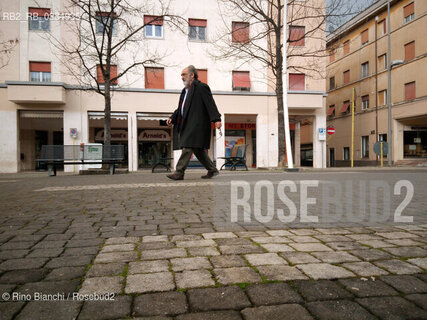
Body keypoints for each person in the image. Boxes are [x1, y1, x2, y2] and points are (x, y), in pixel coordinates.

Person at [166, 65, 221, 180]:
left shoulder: (201, 87)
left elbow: (210, 103)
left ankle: (179, 172)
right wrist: (173, 117)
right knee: (198, 150)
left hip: (198, 124)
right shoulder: (185, 91)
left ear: (192, 75)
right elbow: (181, 108)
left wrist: (216, 119)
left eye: (184, 74)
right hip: (187, 123)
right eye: (181, 75)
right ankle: (212, 169)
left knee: (187, 145)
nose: (182, 77)